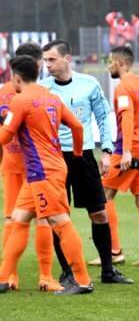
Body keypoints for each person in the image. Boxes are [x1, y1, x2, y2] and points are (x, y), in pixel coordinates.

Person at [40, 40, 132, 286]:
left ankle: (108, 271)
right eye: (45, 60)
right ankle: (67, 272)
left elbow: (103, 118)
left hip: (84, 157)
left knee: (99, 213)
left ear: (67, 59)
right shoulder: (42, 89)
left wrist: (107, 151)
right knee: (58, 218)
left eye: (51, 59)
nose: (47, 64)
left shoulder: (89, 84)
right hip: (54, 158)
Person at [0, 55, 94, 295]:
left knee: (59, 222)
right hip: (44, 169)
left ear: (16, 77)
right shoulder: (53, 98)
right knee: (19, 219)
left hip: (43, 171)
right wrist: (77, 153)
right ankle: (3, 278)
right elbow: (77, 126)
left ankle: (83, 281)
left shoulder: (20, 100)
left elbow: (5, 137)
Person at [1, 44, 58, 291]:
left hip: (12, 162)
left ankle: (9, 276)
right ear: (37, 65)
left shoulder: (4, 92)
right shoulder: (43, 93)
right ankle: (45, 276)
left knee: (11, 218)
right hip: (40, 164)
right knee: (43, 219)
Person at [101, 45, 139, 272]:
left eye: (110, 62)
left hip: (131, 146)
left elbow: (127, 117)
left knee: (104, 194)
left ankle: (114, 251)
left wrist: (126, 151)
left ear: (121, 63)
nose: (108, 66)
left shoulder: (123, 87)